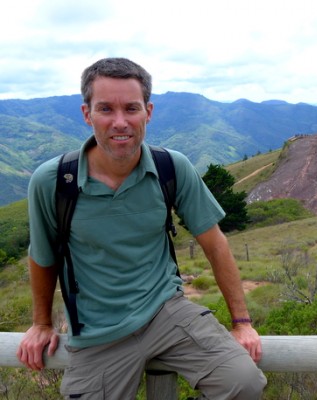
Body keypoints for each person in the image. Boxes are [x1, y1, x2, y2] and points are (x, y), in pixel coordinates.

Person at [16, 57, 267, 399]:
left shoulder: (171, 167)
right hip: (98, 332)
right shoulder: (54, 181)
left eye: (131, 109)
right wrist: (42, 324)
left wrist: (242, 323)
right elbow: (42, 257)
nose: (120, 122)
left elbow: (215, 243)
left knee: (244, 383)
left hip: (168, 311)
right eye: (105, 109)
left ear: (148, 112)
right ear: (86, 113)